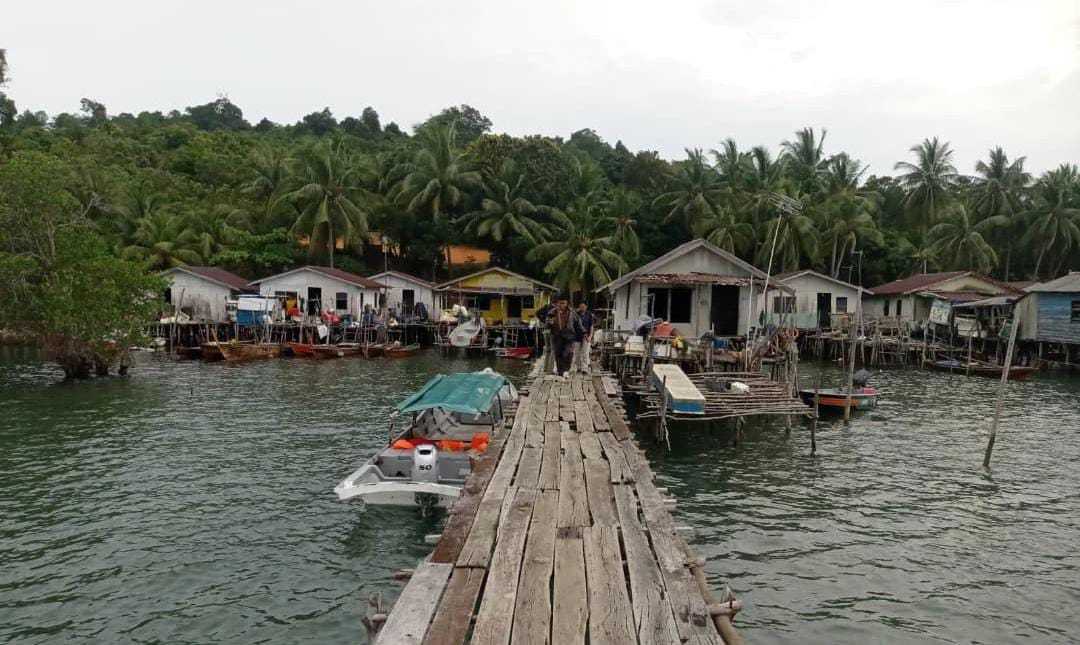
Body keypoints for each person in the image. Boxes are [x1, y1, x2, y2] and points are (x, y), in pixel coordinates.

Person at [547, 296, 580, 377]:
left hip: (569, 335)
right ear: (557, 303)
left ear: (566, 303)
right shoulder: (552, 312)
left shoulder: (572, 312)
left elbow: (578, 323)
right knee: (558, 354)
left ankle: (566, 369)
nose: (562, 305)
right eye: (560, 303)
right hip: (557, 335)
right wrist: (549, 323)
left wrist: (583, 332)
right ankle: (560, 371)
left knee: (568, 352)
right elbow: (547, 323)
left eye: (563, 303)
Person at [573, 301, 595, 373]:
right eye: (580, 306)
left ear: (586, 307)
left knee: (585, 352)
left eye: (583, 306)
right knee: (576, 353)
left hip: (586, 336)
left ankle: (584, 368)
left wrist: (590, 336)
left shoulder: (589, 315)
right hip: (577, 336)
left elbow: (591, 326)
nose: (582, 308)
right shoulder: (576, 315)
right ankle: (578, 367)